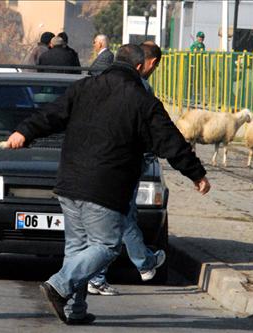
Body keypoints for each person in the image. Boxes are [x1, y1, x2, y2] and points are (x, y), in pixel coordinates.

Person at [7, 44, 211, 325]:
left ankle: (73, 310)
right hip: (104, 187)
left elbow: (52, 114)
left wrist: (23, 131)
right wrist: (197, 174)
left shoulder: (85, 87)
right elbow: (170, 142)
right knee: (107, 246)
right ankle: (58, 285)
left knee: (78, 250)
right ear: (141, 67)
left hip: (69, 182)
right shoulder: (142, 101)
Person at [87, 41, 164, 297]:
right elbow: (154, 129)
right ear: (149, 63)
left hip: (107, 161)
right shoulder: (139, 89)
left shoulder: (104, 81)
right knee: (121, 217)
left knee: (121, 217)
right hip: (124, 163)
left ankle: (138, 263)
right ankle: (139, 263)